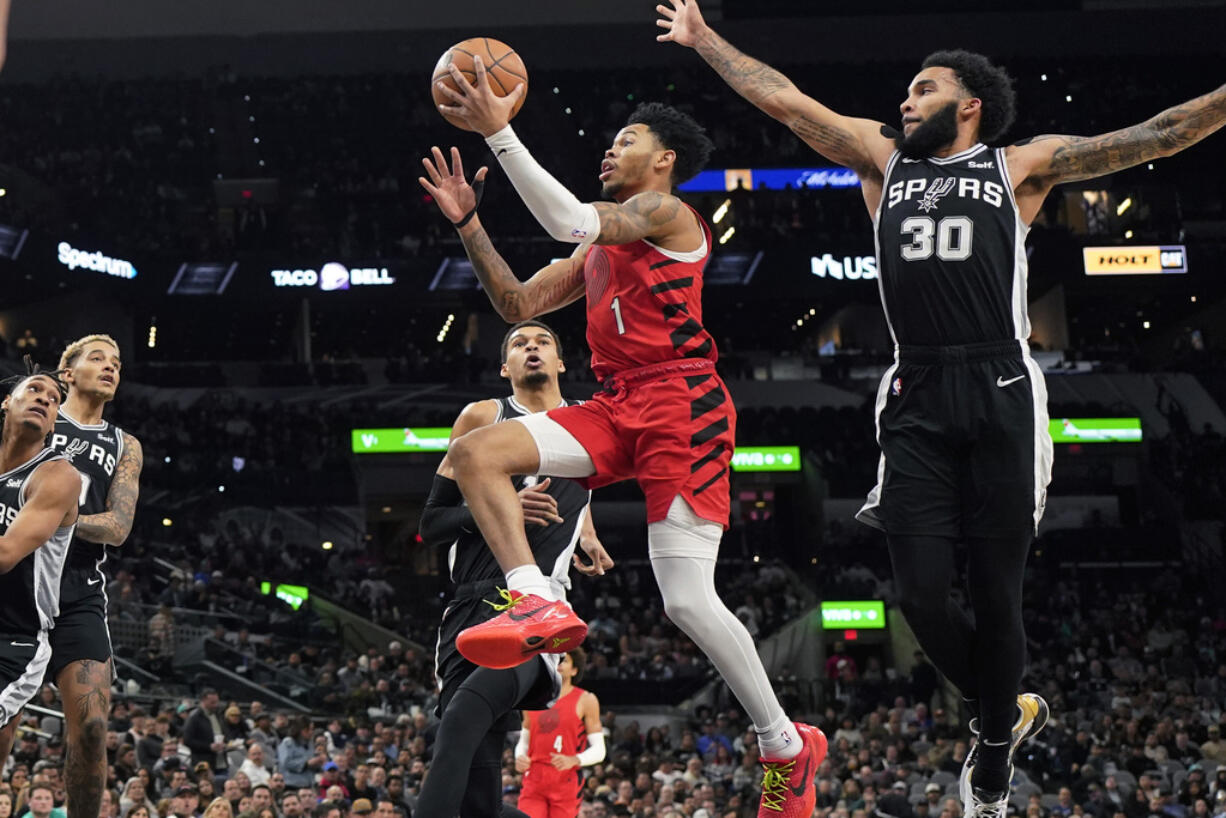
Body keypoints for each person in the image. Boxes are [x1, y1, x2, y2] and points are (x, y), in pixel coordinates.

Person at [657, 0, 1226, 814]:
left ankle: (991, 764)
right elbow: (784, 100)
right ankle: (1002, 714)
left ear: (970, 105)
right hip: (916, 386)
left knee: (997, 595)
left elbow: (1161, 132)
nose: (904, 101)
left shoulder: (1019, 165)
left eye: (923, 90)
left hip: (1001, 385)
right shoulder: (882, 161)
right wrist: (706, 38)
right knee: (921, 596)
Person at [422, 58, 827, 818]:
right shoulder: (600, 248)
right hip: (617, 404)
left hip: (683, 401)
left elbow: (572, 218)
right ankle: (535, 598)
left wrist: (500, 132)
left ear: (663, 161)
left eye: (626, 138)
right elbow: (516, 303)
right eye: (611, 140)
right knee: (476, 453)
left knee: (684, 601)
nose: (610, 149)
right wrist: (468, 222)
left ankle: (783, 743)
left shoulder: (665, 215)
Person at [413, 321, 613, 818]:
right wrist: (504, 507)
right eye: (519, 344)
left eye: (543, 341)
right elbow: (432, 524)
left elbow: (579, 491)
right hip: (467, 607)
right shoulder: (483, 416)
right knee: (479, 798)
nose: (532, 349)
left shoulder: (590, 424)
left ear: (561, 362)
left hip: (538, 607)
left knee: (459, 720)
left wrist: (586, 529)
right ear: (505, 368)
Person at [39, 334, 143, 818]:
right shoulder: (35, 415)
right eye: (97, 358)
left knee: (96, 726)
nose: (110, 367)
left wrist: (59, 519)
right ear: (67, 373)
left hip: (78, 588)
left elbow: (118, 526)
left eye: (117, 363)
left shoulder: (126, 444)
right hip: (15, 577)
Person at [0, 364, 81, 765]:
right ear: (6, 402)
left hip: (13, 636)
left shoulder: (58, 475)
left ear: (53, 425)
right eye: (35, 390)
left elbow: (4, 557)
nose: (45, 400)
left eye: (54, 401)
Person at [515, 648, 605, 818]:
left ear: (574, 670)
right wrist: (519, 756)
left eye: (564, 660)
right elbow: (524, 741)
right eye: (554, 658)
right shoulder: (531, 697)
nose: (558, 663)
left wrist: (575, 759)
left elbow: (600, 750)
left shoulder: (586, 700)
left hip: (566, 779)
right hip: (534, 777)